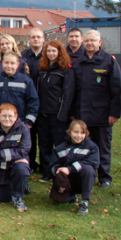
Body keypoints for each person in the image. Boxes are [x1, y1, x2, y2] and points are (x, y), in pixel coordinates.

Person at [72, 30, 121, 189]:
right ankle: (88, 174)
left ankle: (104, 177)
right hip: (83, 113)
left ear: (100, 42)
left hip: (102, 114)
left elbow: (117, 89)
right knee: (84, 146)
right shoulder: (78, 62)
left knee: (102, 146)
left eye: (93, 41)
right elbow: (73, 90)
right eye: (86, 41)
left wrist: (114, 112)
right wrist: (73, 113)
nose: (89, 44)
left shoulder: (109, 61)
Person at [36, 40, 75, 182]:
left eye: (54, 51)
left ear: (59, 53)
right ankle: (47, 172)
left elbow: (68, 94)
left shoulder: (66, 70)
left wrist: (62, 114)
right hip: (42, 113)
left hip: (57, 114)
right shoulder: (42, 69)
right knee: (44, 145)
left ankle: (60, 172)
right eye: (48, 51)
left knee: (59, 145)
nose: (51, 54)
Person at [0, 103, 32, 211]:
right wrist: (12, 155)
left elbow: (23, 151)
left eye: (10, 116)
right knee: (0, 198)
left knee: (21, 168)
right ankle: (19, 183)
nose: (7, 119)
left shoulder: (24, 129)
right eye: (4, 116)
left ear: (16, 116)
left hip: (16, 165)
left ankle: (18, 196)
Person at [49, 120, 100, 216]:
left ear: (86, 134)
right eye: (76, 132)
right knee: (57, 200)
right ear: (69, 132)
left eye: (82, 133)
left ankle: (84, 202)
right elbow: (52, 166)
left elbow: (93, 162)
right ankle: (70, 195)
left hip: (83, 180)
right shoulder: (60, 148)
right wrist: (58, 171)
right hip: (66, 181)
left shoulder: (92, 147)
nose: (79, 136)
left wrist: (70, 169)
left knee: (88, 169)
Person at [0, 52, 39, 129]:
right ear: (2, 63)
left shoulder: (26, 81)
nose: (9, 66)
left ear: (17, 65)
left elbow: (33, 102)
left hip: (19, 124)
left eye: (12, 63)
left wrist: (28, 122)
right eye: (6, 63)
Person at [22, 28, 45, 173]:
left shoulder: (49, 55)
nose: (36, 39)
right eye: (33, 37)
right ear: (29, 40)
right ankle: (29, 164)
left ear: (43, 39)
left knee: (44, 138)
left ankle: (45, 166)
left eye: (38, 37)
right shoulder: (23, 57)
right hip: (26, 103)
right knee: (29, 136)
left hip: (45, 103)